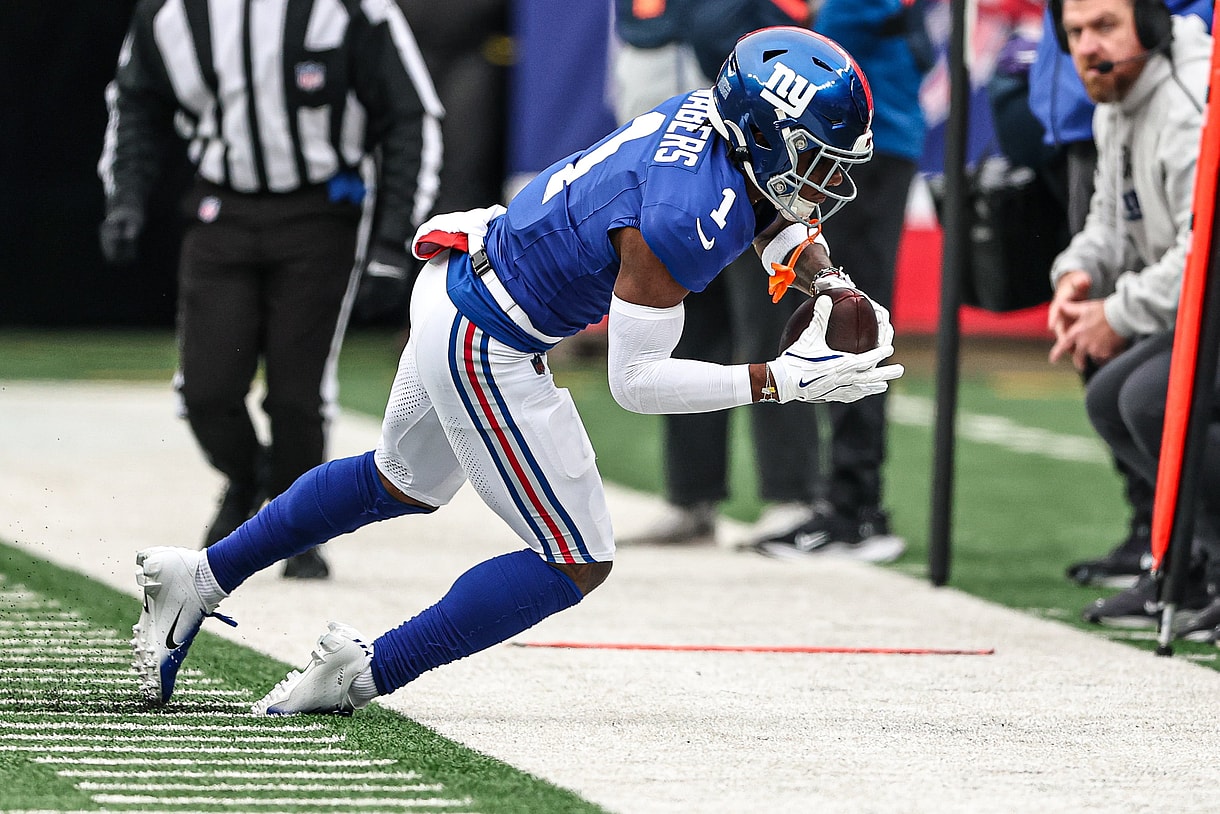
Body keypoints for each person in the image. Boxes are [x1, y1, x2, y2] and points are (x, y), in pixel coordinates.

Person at [128, 27, 903, 712]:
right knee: (577, 559)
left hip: (467, 279)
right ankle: (362, 673)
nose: (827, 185)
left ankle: (196, 576)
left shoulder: (713, 125)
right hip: (489, 334)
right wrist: (780, 380)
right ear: (764, 135)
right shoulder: (678, 217)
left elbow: (767, 215)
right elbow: (635, 382)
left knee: (398, 481)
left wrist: (828, 283)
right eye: (816, 161)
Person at [98, 0, 443, 578]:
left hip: (321, 213)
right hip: (220, 209)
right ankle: (248, 480)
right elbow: (135, 101)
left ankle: (298, 530)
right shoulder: (171, 13)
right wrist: (125, 197)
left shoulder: (353, 9)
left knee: (296, 394)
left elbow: (413, 115)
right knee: (206, 392)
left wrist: (392, 241)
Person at [612, 0, 825, 547]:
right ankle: (691, 495)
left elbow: (787, 21)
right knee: (683, 325)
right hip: (667, 141)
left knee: (769, 312)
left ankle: (792, 494)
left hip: (748, 142)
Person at [1042, 0, 1217, 630]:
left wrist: (1117, 311)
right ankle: (1190, 568)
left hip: (1212, 295)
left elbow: (1207, 247)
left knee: (1147, 398)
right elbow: (1109, 224)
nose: (1089, 45)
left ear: (1149, 25)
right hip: (1195, 305)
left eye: (1105, 26)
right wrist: (1077, 274)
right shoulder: (1118, 100)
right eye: (1076, 32)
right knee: (1111, 397)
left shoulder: (1191, 101)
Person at [753, 0, 932, 562]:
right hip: (846, 141)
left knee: (851, 318)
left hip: (864, 145)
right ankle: (847, 501)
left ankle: (857, 508)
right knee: (839, 313)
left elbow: (839, 37)